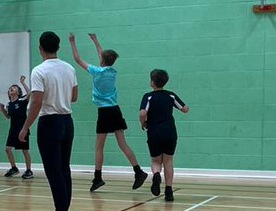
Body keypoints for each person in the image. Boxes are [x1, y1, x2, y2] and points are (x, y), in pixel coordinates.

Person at [68, 33, 147, 193]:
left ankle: (98, 178)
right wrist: (96, 40)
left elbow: (77, 59)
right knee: (122, 144)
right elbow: (102, 55)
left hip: (104, 112)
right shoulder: (112, 71)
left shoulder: (96, 71)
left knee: (98, 146)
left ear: (102, 60)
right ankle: (138, 171)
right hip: (115, 110)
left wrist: (72, 42)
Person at [19, 32, 78, 211]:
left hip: (50, 123)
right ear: (58, 47)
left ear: (40, 48)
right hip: (67, 121)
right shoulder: (69, 68)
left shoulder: (39, 71)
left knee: (53, 171)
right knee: (63, 168)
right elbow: (74, 96)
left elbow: (36, 102)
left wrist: (25, 127)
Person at [139, 69, 189, 202]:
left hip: (154, 131)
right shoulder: (170, 96)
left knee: (156, 160)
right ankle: (168, 191)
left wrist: (142, 123)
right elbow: (185, 109)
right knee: (168, 161)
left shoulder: (148, 96)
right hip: (169, 131)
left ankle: (156, 175)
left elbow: (143, 113)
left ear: (152, 82)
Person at [0, 77, 33, 179]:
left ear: (18, 92)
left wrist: (22, 82)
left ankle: (28, 170)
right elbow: (8, 116)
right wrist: (2, 110)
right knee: (7, 149)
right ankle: (14, 168)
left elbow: (30, 93)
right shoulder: (9, 104)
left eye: (14, 88)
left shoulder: (22, 100)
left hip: (22, 129)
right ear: (9, 93)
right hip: (13, 130)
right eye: (10, 88)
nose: (11, 89)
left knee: (24, 150)